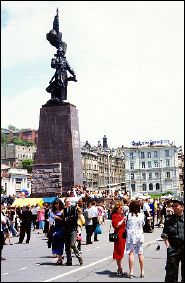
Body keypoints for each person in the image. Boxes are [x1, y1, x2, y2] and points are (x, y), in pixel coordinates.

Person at [161, 199, 184, 282]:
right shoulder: (169, 220)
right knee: (171, 275)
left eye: (176, 206)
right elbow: (164, 234)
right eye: (173, 206)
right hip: (173, 249)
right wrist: (168, 246)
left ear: (182, 207)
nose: (174, 208)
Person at [126, 200, 145, 278]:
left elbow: (126, 224)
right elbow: (143, 224)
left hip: (131, 236)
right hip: (139, 235)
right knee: (140, 253)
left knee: (131, 253)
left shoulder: (128, 215)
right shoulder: (141, 215)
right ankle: (142, 271)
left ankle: (131, 272)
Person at [63, 198, 83, 265]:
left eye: (69, 201)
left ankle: (79, 257)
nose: (68, 203)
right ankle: (69, 261)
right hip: (66, 229)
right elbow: (63, 219)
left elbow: (75, 218)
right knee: (67, 246)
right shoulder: (64, 210)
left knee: (72, 244)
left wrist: (68, 219)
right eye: (66, 202)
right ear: (65, 203)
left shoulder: (73, 208)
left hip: (73, 229)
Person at [111, 201, 127, 276]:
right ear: (117, 209)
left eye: (122, 208)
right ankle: (119, 268)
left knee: (122, 251)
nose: (122, 209)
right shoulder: (115, 215)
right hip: (118, 234)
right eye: (120, 208)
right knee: (118, 251)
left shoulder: (121, 215)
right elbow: (116, 225)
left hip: (123, 234)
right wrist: (122, 220)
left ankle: (119, 268)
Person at [51, 199, 65, 265]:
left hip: (61, 228)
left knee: (60, 243)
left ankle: (60, 258)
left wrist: (57, 217)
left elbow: (64, 220)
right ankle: (60, 257)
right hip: (55, 228)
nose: (56, 205)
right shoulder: (53, 211)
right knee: (55, 243)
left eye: (57, 204)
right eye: (55, 204)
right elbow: (51, 220)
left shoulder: (63, 211)